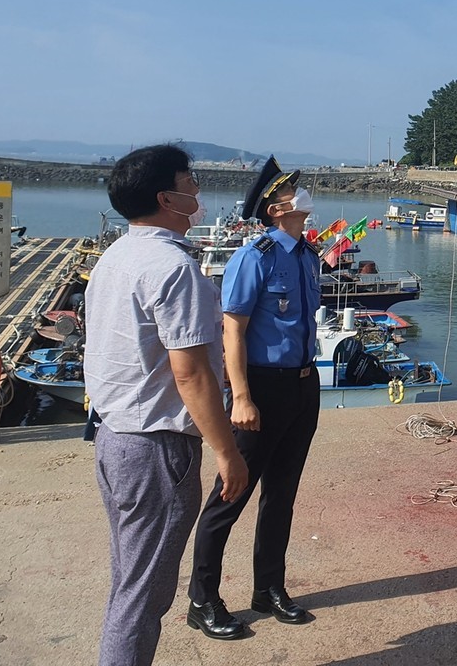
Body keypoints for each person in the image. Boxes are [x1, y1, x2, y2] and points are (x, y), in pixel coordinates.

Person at [85, 145, 249, 666]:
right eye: (190, 181)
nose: (198, 191)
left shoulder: (116, 256)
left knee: (129, 579)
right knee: (144, 596)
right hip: (157, 448)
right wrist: (227, 451)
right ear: (168, 198)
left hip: (114, 438)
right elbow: (192, 371)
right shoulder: (174, 267)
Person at [187, 156, 322, 638]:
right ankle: (202, 597)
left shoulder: (307, 256)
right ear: (276, 208)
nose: (304, 200)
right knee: (232, 492)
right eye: (294, 194)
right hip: (261, 388)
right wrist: (240, 396)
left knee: (282, 493)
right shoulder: (255, 255)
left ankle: (268, 588)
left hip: (304, 386)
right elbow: (234, 330)